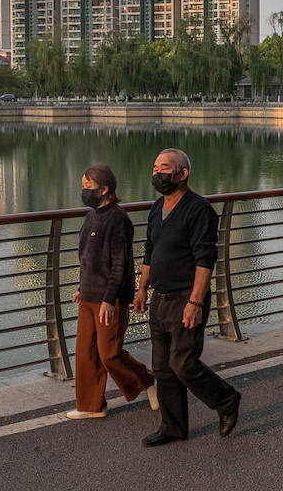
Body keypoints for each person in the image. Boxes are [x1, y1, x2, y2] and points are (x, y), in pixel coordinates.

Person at [133, 148, 241, 446]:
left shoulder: (199, 209)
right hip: (160, 297)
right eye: (155, 168)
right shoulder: (157, 208)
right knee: (163, 369)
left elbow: (205, 259)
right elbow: (149, 251)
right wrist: (142, 288)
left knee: (184, 364)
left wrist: (195, 301)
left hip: (185, 298)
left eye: (165, 168)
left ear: (183, 173)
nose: (158, 174)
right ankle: (173, 427)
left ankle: (226, 400)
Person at [68, 164, 157, 420]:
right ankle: (90, 406)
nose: (84, 191)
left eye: (88, 187)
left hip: (111, 297)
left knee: (109, 353)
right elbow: (88, 257)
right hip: (88, 295)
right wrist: (80, 287)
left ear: (104, 189)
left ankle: (147, 381)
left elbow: (121, 264)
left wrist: (109, 299)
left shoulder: (118, 219)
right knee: (86, 352)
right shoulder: (91, 216)